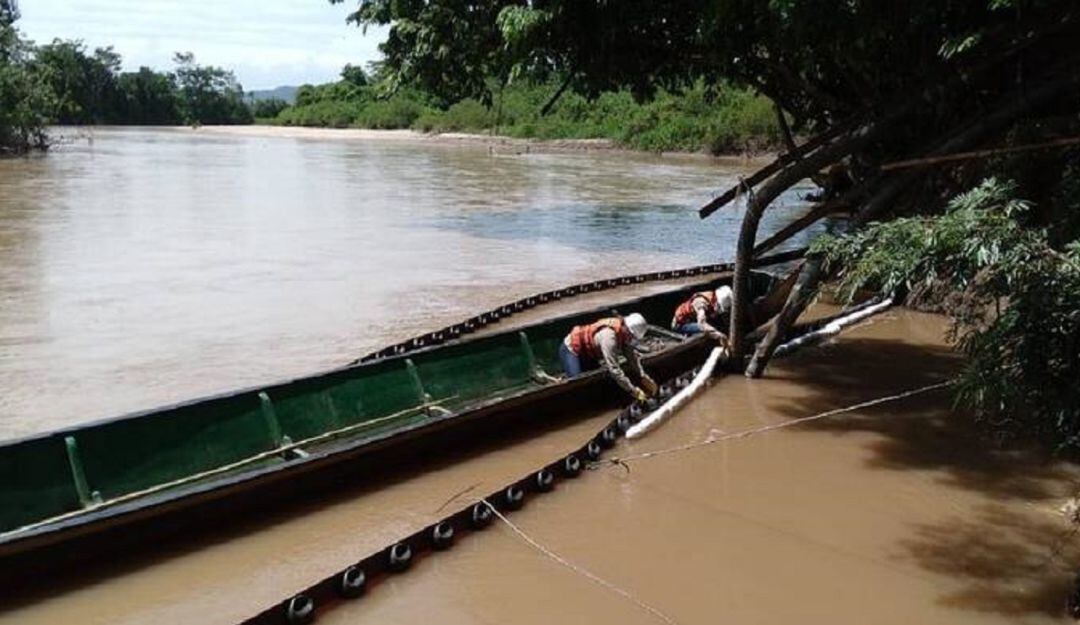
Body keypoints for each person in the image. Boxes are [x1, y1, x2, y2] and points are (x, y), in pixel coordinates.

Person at [559, 313, 658, 402]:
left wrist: (643, 376)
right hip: (572, 349)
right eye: (631, 336)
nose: (631, 339)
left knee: (595, 381)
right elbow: (614, 369)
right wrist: (632, 390)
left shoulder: (625, 334)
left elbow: (632, 357)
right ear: (626, 329)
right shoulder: (609, 338)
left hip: (589, 353)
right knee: (578, 384)